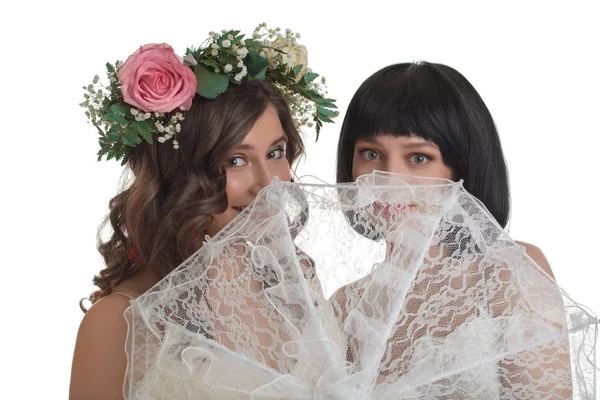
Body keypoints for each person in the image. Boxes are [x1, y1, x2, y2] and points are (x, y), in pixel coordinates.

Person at [69, 25, 336, 400]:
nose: (268, 185)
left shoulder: (298, 284)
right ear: (180, 173)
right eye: (236, 160)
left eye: (275, 153)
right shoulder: (120, 321)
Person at [333, 61, 579, 398]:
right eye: (371, 153)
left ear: (460, 167)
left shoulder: (506, 270)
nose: (388, 180)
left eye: (418, 157)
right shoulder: (344, 307)